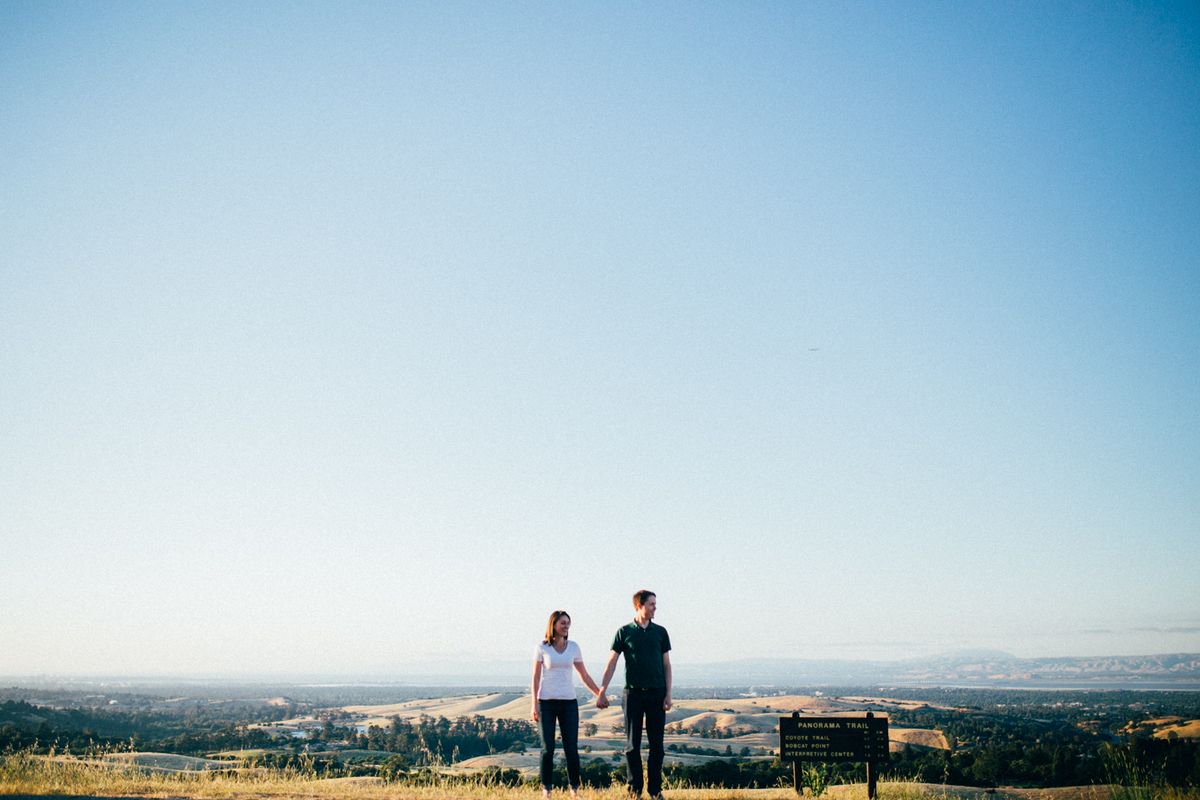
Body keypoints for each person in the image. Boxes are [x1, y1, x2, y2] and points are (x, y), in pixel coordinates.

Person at [598, 589, 672, 800]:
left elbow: (667, 665)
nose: (655, 607)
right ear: (639, 606)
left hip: (657, 693)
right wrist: (602, 690)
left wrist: (668, 693)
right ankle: (634, 790)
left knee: (657, 745)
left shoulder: (661, 632)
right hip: (632, 694)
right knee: (632, 745)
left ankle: (655, 790)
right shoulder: (624, 632)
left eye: (655, 604)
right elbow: (612, 662)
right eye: (651, 604)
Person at [531, 609, 605, 799]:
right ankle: (547, 790)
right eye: (563, 623)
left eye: (568, 623)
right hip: (546, 702)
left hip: (569, 703)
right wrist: (534, 704)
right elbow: (535, 678)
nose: (566, 626)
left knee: (571, 748)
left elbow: (584, 675)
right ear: (553, 624)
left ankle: (574, 790)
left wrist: (600, 694)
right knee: (547, 748)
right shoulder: (542, 647)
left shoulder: (574, 647)